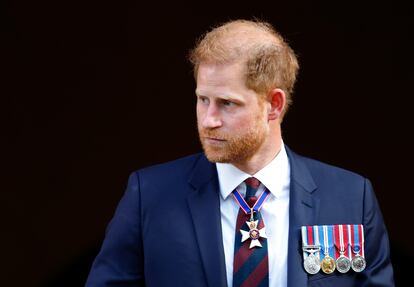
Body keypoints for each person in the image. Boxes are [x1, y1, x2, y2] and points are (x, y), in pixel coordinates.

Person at [85, 19, 394, 287]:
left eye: (227, 103)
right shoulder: (150, 195)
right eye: (203, 99)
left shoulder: (351, 197)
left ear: (274, 105)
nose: (209, 120)